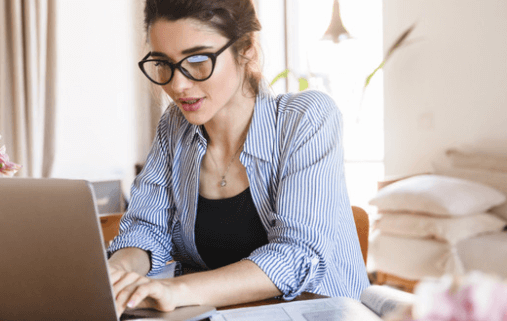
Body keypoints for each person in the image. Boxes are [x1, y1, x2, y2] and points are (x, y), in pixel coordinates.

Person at [106, 0, 370, 316]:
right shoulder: (174, 128)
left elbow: (295, 256)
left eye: (198, 60)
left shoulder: (307, 119)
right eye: (163, 63)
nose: (178, 85)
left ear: (247, 49)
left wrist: (175, 290)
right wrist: (116, 272)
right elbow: (147, 229)